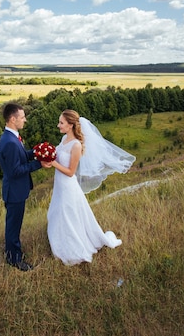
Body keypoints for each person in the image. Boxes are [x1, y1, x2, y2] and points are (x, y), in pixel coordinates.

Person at [47, 109, 135, 266]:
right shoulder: (64, 139)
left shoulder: (76, 146)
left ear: (71, 125)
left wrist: (53, 163)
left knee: (68, 215)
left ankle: (72, 247)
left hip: (68, 186)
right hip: (59, 185)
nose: (58, 125)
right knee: (58, 213)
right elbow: (57, 154)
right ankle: (59, 240)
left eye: (61, 122)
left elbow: (70, 172)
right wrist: (47, 156)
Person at [0, 102, 50, 271]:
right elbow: (15, 170)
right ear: (12, 119)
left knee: (14, 224)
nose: (24, 120)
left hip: (15, 190)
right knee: (13, 227)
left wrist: (36, 152)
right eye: (22, 117)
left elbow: (20, 158)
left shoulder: (12, 137)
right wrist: (39, 164)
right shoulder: (11, 142)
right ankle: (15, 259)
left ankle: (12, 254)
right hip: (14, 191)